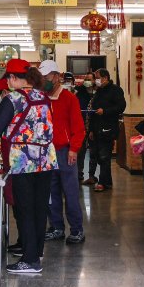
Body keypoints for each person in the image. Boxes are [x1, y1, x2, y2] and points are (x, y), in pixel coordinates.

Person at [0, 59, 57, 274]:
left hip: (23, 162)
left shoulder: (13, 98)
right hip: (46, 160)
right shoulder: (44, 97)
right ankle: (36, 252)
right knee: (40, 208)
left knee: (25, 208)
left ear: (12, 78)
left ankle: (29, 261)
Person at [39, 60, 86, 245]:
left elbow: (79, 128)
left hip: (65, 152)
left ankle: (77, 230)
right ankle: (56, 228)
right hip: (46, 152)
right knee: (51, 193)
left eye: (47, 77)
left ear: (57, 77)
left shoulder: (69, 98)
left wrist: (74, 149)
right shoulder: (41, 98)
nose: (44, 81)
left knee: (71, 193)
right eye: (41, 78)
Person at [88, 68, 126, 192]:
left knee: (104, 156)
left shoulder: (116, 90)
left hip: (108, 128)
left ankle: (102, 182)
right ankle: (107, 181)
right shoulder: (98, 91)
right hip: (97, 129)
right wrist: (91, 130)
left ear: (105, 78)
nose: (95, 81)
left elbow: (121, 107)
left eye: (97, 78)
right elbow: (93, 111)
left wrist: (105, 111)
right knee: (99, 156)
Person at [75, 73, 99, 186]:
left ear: (94, 81)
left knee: (93, 152)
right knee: (80, 151)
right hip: (81, 126)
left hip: (94, 127)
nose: (87, 81)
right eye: (86, 79)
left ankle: (91, 175)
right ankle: (79, 173)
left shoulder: (98, 94)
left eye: (90, 79)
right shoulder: (80, 93)